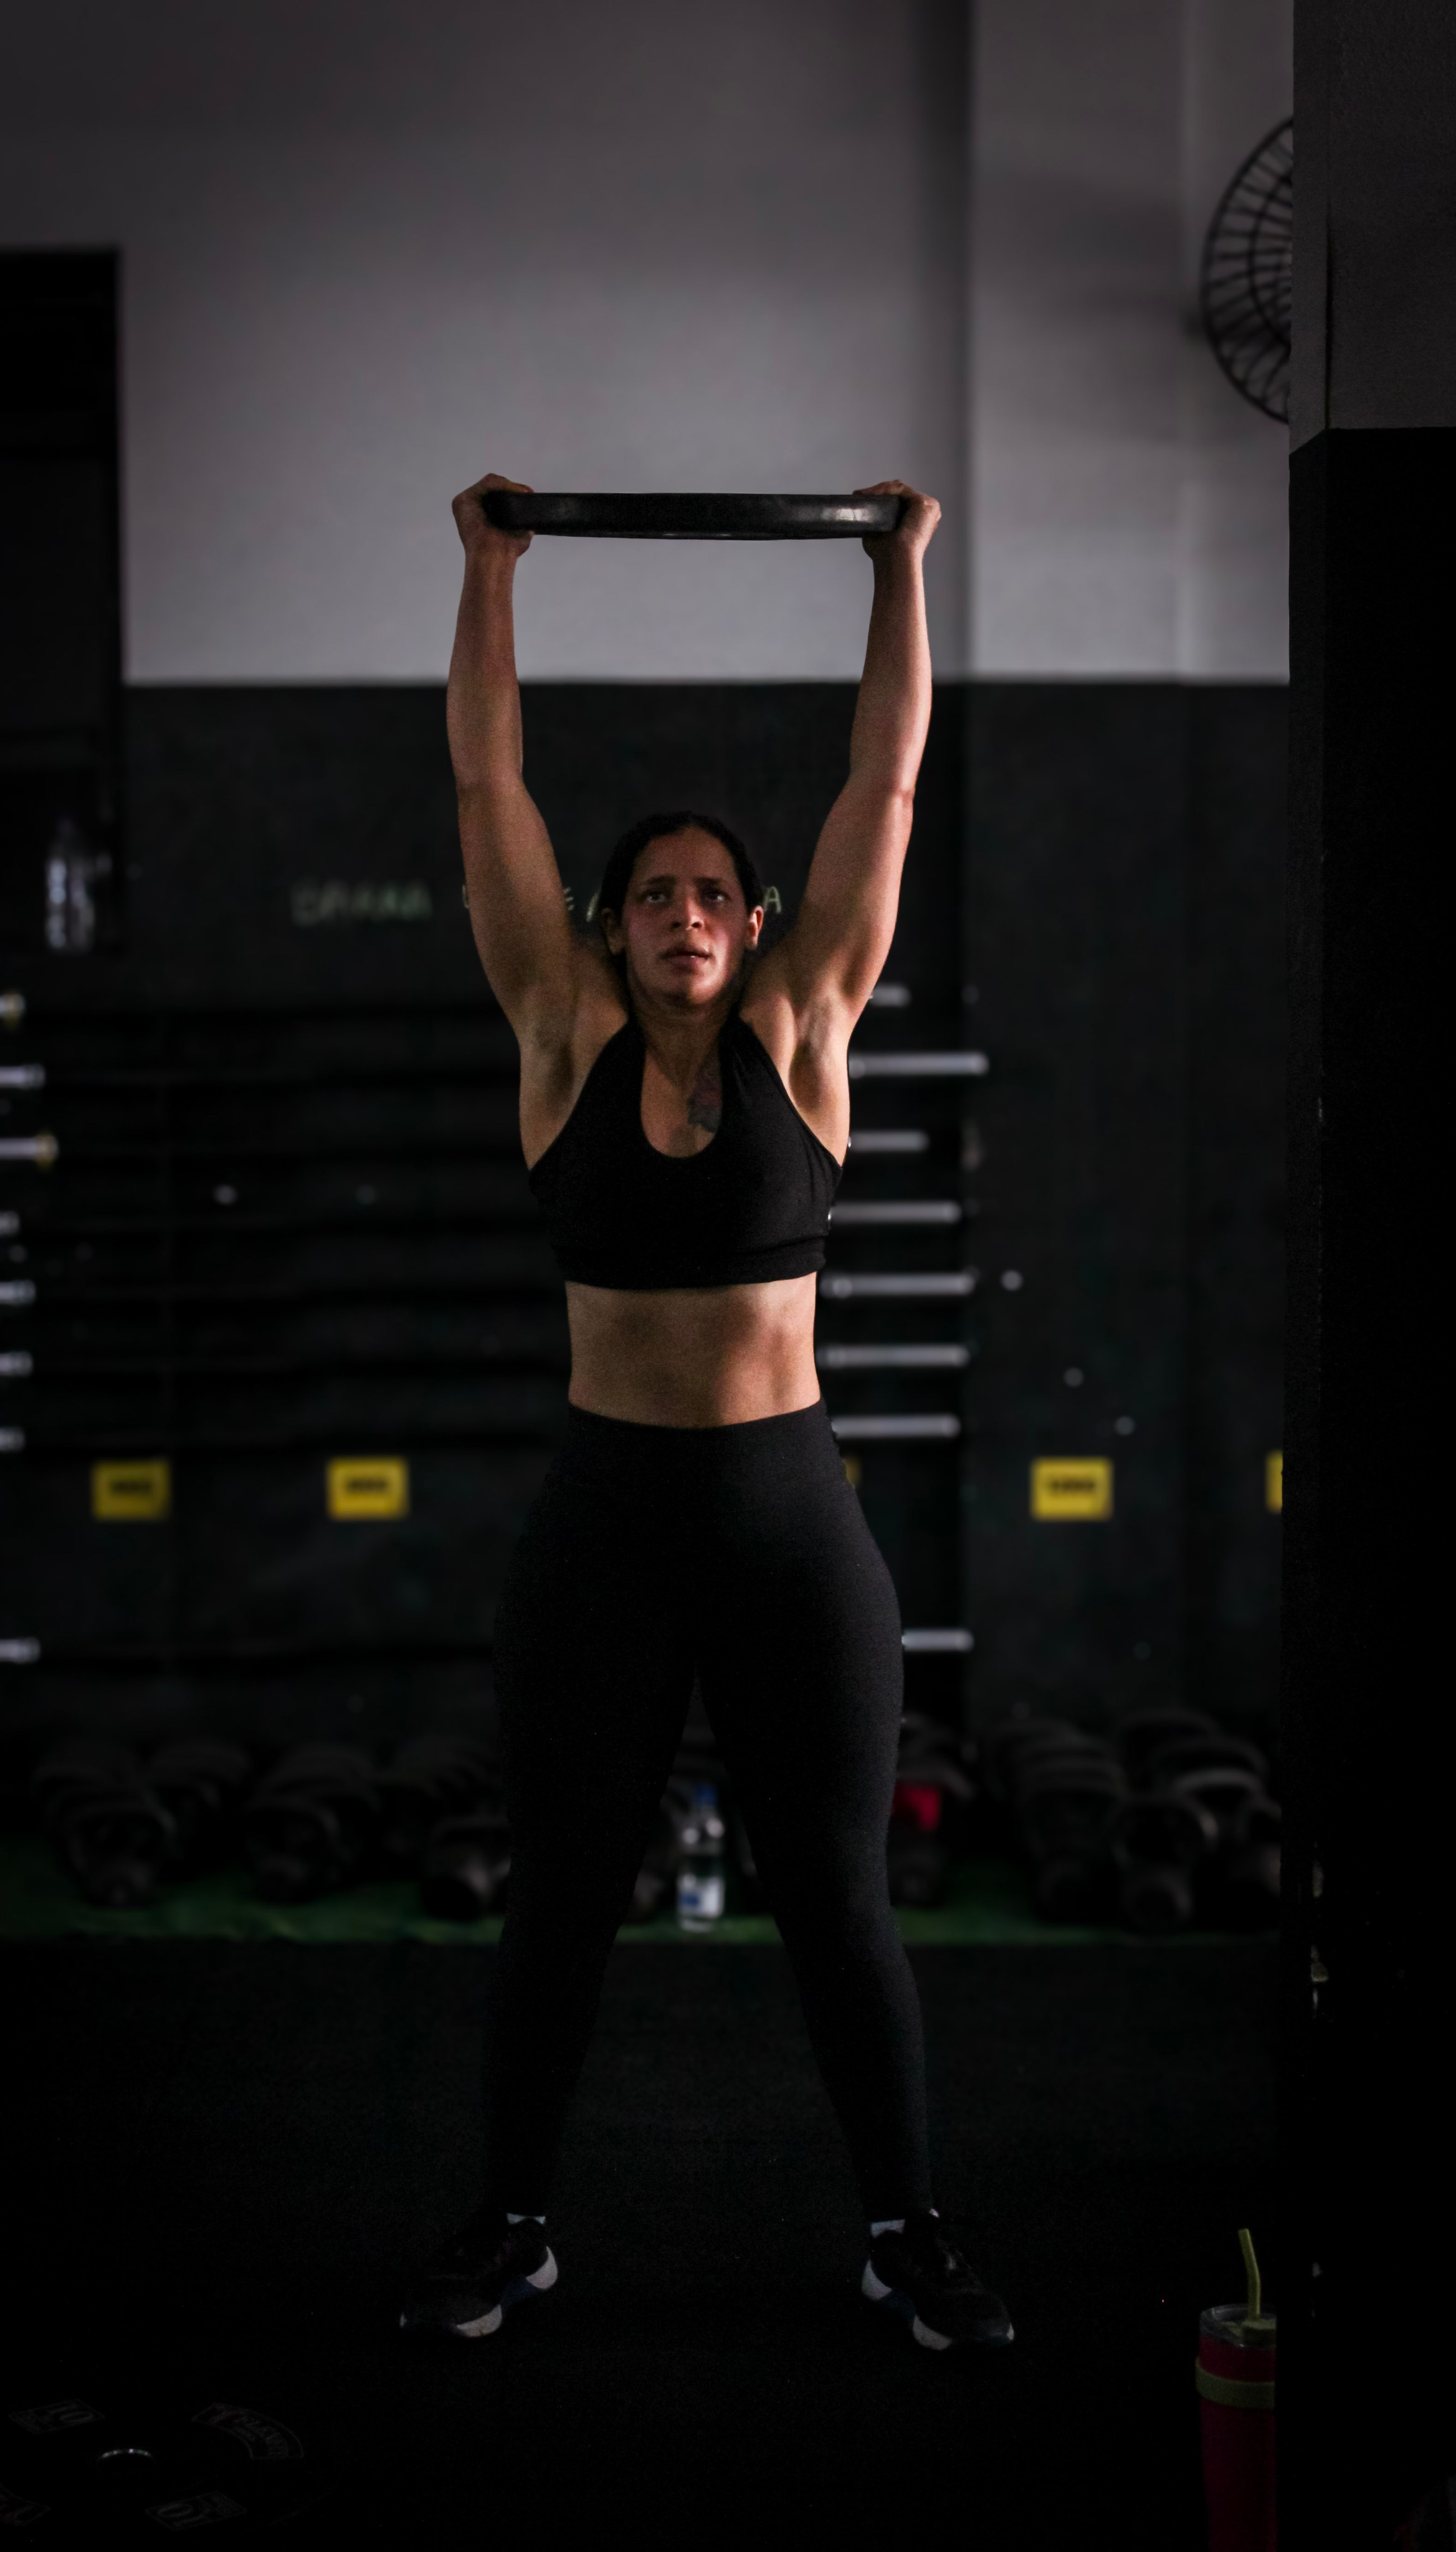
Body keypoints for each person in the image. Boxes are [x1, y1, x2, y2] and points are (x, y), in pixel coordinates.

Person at [399, 473, 1011, 2356]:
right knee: (564, 1898)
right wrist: (490, 571)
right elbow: (488, 788)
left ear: (755, 928)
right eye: (654, 893)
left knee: (837, 1896)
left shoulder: (805, 1033)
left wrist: (900, 569)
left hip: (785, 1532)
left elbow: (882, 791)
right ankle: (511, 2227)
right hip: (606, 1529)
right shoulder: (561, 1031)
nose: (685, 914)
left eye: (713, 895)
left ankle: (907, 2232)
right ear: (612, 926)